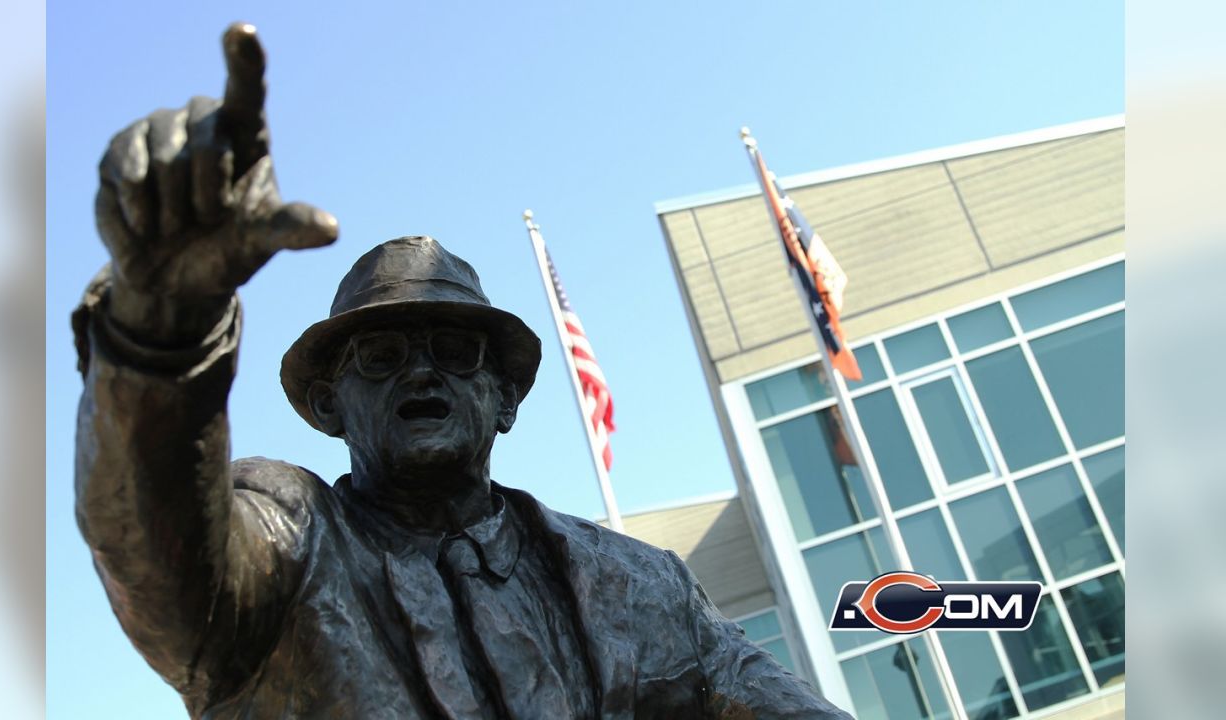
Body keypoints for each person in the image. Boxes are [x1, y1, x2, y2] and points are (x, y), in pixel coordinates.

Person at [74, 22, 853, 720]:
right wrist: (160, 335)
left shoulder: (638, 586)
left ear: (505, 398)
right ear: (327, 403)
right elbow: (152, 541)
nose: (421, 375)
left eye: (455, 352)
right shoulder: (287, 546)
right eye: (380, 357)